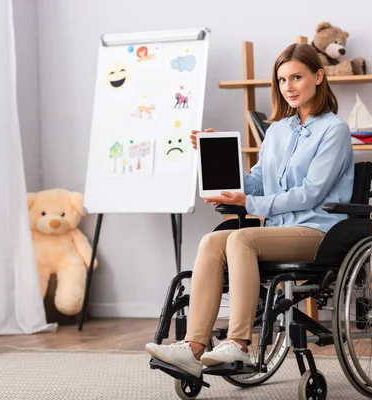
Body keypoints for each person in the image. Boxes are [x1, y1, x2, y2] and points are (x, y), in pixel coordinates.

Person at [145, 42, 354, 378]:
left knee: (240, 239)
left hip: (319, 232)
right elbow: (258, 182)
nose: (288, 87)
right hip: (279, 230)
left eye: (296, 77)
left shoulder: (334, 131)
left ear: (318, 77)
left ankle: (238, 344)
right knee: (212, 242)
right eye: (282, 80)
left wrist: (250, 204)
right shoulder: (277, 132)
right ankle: (193, 347)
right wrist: (215, 156)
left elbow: (310, 194)